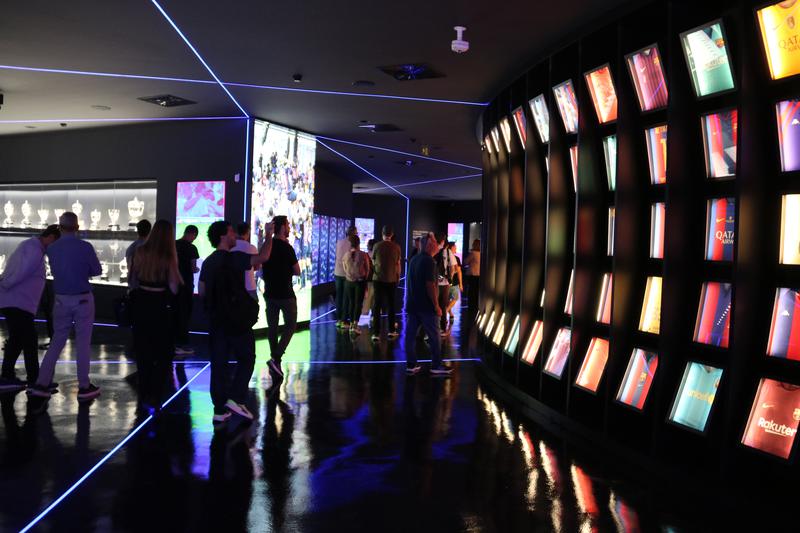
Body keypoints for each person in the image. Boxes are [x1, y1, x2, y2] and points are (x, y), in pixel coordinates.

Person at [199, 220, 274, 424]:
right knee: (247, 358)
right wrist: (268, 234)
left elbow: (202, 291)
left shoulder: (208, 262)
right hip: (238, 320)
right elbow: (263, 257)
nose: (235, 236)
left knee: (218, 364)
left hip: (217, 321)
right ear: (223, 236)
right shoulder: (235, 258)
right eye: (231, 232)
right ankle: (236, 398)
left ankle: (219, 409)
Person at [28, 212, 102, 400]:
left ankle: (41, 383)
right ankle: (84, 386)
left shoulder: (52, 249)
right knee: (83, 343)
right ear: (77, 227)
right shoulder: (85, 247)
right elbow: (97, 270)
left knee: (57, 341)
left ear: (60, 227)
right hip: (83, 299)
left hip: (61, 299)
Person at [0, 225, 61, 392]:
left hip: (16, 302)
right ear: (51, 238)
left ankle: (7, 376)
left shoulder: (32, 247)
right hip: (18, 302)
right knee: (29, 340)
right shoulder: (34, 250)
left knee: (18, 340)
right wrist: (5, 284)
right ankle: (35, 380)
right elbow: (20, 272)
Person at [130, 220, 182, 411]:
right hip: (160, 305)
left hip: (141, 302)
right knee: (162, 352)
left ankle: (144, 392)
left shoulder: (140, 251)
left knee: (143, 351)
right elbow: (174, 287)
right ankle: (156, 394)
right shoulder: (168, 255)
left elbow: (132, 279)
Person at [405, 233, 451, 376]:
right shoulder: (430, 262)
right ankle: (436, 365)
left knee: (410, 335)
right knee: (434, 336)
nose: (437, 245)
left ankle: (411, 364)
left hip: (413, 305)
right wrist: (436, 306)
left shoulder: (414, 260)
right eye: (435, 242)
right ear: (430, 245)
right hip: (427, 307)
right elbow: (430, 285)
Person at [262, 216, 300, 379]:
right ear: (283, 227)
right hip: (286, 293)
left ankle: (275, 359)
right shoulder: (287, 248)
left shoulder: (267, 245)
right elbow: (297, 271)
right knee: (290, 325)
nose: (290, 227)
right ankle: (276, 357)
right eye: (288, 224)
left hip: (270, 293)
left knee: (272, 327)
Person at [371, 225, 401, 341]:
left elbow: (373, 260)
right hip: (391, 279)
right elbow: (398, 264)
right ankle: (391, 330)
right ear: (392, 234)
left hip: (378, 279)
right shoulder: (396, 247)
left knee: (377, 305)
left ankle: (376, 333)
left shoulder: (377, 246)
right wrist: (398, 277)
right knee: (391, 305)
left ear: (382, 233)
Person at [174, 225, 200, 356]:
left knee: (175, 313)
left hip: (173, 284)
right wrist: (197, 270)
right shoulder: (191, 248)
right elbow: (193, 268)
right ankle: (181, 344)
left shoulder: (174, 244)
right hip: (186, 285)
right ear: (193, 234)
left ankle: (173, 342)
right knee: (184, 314)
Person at [342, 234, 370, 336]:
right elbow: (367, 269)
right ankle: (355, 325)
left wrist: (350, 276)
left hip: (349, 282)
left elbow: (345, 269)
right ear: (359, 243)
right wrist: (364, 278)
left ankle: (351, 325)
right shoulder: (363, 255)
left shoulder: (346, 255)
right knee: (358, 304)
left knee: (351, 303)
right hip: (360, 282)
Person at [434, 233, 458, 335]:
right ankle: (443, 329)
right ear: (443, 241)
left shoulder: (433, 251)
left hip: (434, 283)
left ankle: (432, 328)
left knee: (433, 305)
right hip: (444, 283)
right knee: (443, 306)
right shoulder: (448, 252)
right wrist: (450, 278)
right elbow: (453, 268)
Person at [334, 225, 357, 329]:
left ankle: (339, 320)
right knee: (346, 297)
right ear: (353, 233)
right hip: (347, 274)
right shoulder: (352, 244)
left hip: (337, 272)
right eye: (356, 233)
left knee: (339, 297)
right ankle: (344, 320)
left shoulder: (339, 242)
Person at [232, 222, 260, 300]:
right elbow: (257, 267)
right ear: (248, 233)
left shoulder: (230, 247)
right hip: (249, 286)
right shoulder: (252, 248)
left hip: (233, 286)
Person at [125, 219, 152, 290]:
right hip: (146, 286)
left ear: (137, 230)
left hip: (133, 285)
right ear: (150, 231)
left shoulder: (131, 248)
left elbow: (129, 267)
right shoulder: (151, 248)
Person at [446, 242, 464, 322]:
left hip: (447, 282)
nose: (456, 248)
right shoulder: (456, 258)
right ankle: (447, 312)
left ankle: (449, 313)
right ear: (451, 248)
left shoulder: (445, 258)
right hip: (453, 282)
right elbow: (459, 271)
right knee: (454, 298)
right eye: (455, 247)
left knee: (448, 300)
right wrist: (461, 284)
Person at [463, 239, 481, 319]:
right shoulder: (482, 253)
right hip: (479, 276)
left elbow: (465, 262)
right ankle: (476, 306)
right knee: (476, 291)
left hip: (472, 275)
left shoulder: (473, 253)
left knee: (471, 292)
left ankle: (471, 307)